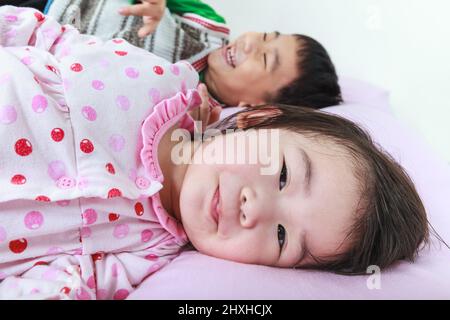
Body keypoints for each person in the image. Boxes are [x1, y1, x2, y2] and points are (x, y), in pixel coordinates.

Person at [0, 6, 429, 299]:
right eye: (281, 174)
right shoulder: (154, 81)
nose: (252, 210)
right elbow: (46, 37)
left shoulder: (147, 253)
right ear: (257, 119)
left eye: (281, 237)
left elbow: (62, 285)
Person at [39, 0, 343, 110]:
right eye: (265, 36)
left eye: (264, 59)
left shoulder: (191, 107)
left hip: (42, 49)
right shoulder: (211, 25)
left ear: (255, 105)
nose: (250, 43)